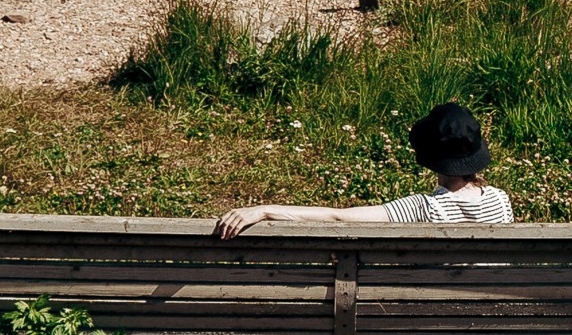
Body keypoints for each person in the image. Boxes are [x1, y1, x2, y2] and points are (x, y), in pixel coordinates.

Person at [216, 100, 512, 238]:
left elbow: (338, 217)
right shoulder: (501, 201)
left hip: (431, 325)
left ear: (431, 157)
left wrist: (265, 210)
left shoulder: (423, 209)